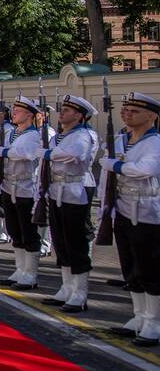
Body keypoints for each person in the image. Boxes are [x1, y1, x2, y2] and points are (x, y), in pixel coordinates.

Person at [99, 91, 160, 345]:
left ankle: (154, 323)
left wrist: (115, 165)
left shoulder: (154, 142)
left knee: (150, 270)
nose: (127, 113)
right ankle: (138, 316)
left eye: (134, 110)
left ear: (152, 116)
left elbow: (147, 170)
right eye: (125, 109)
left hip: (148, 214)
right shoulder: (122, 140)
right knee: (131, 269)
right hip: (122, 210)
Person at [39, 94, 98, 313]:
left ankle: (80, 293)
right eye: (62, 109)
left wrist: (49, 154)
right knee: (61, 242)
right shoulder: (59, 137)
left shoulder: (83, 135)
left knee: (76, 242)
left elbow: (74, 155)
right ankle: (66, 288)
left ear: (79, 115)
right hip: (57, 190)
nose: (61, 112)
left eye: (67, 110)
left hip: (76, 190)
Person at [0, 96, 44, 290]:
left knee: (28, 232)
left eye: (19, 111)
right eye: (14, 110)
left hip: (25, 189)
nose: (13, 113)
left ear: (30, 115)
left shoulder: (33, 135)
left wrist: (5, 152)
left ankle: (30, 274)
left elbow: (26, 154)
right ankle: (20, 270)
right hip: (9, 186)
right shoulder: (12, 133)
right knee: (15, 231)